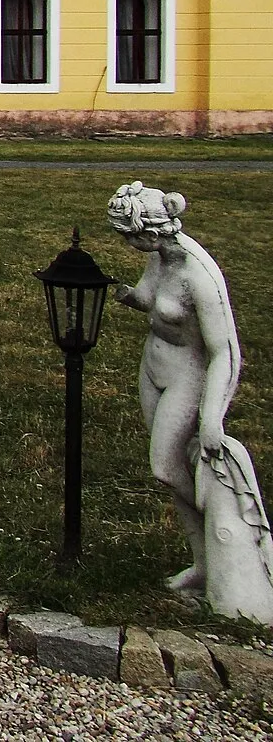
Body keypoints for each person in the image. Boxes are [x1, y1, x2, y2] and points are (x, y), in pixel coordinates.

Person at [108, 181, 273, 623]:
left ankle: (231, 529)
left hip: (189, 376)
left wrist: (213, 416)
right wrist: (124, 294)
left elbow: (227, 352)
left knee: (165, 468)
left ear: (154, 231)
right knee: (176, 469)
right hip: (154, 368)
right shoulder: (158, 256)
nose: (128, 243)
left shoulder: (200, 275)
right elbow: (150, 301)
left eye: (131, 236)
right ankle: (202, 563)